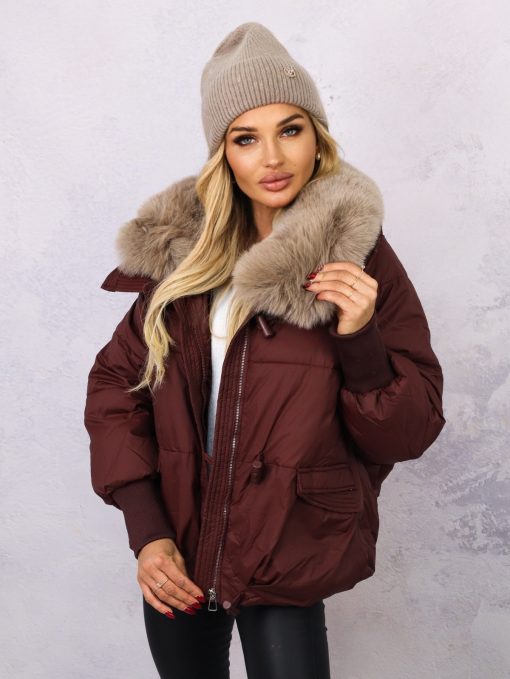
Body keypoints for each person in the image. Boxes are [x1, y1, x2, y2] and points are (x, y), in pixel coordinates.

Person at [83, 21, 446, 679]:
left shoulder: (360, 258)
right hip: (177, 550)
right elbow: (116, 388)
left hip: (287, 547)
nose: (272, 158)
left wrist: (359, 336)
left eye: (290, 129)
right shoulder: (184, 261)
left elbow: (409, 431)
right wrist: (148, 530)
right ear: (223, 153)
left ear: (317, 138)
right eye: (245, 138)